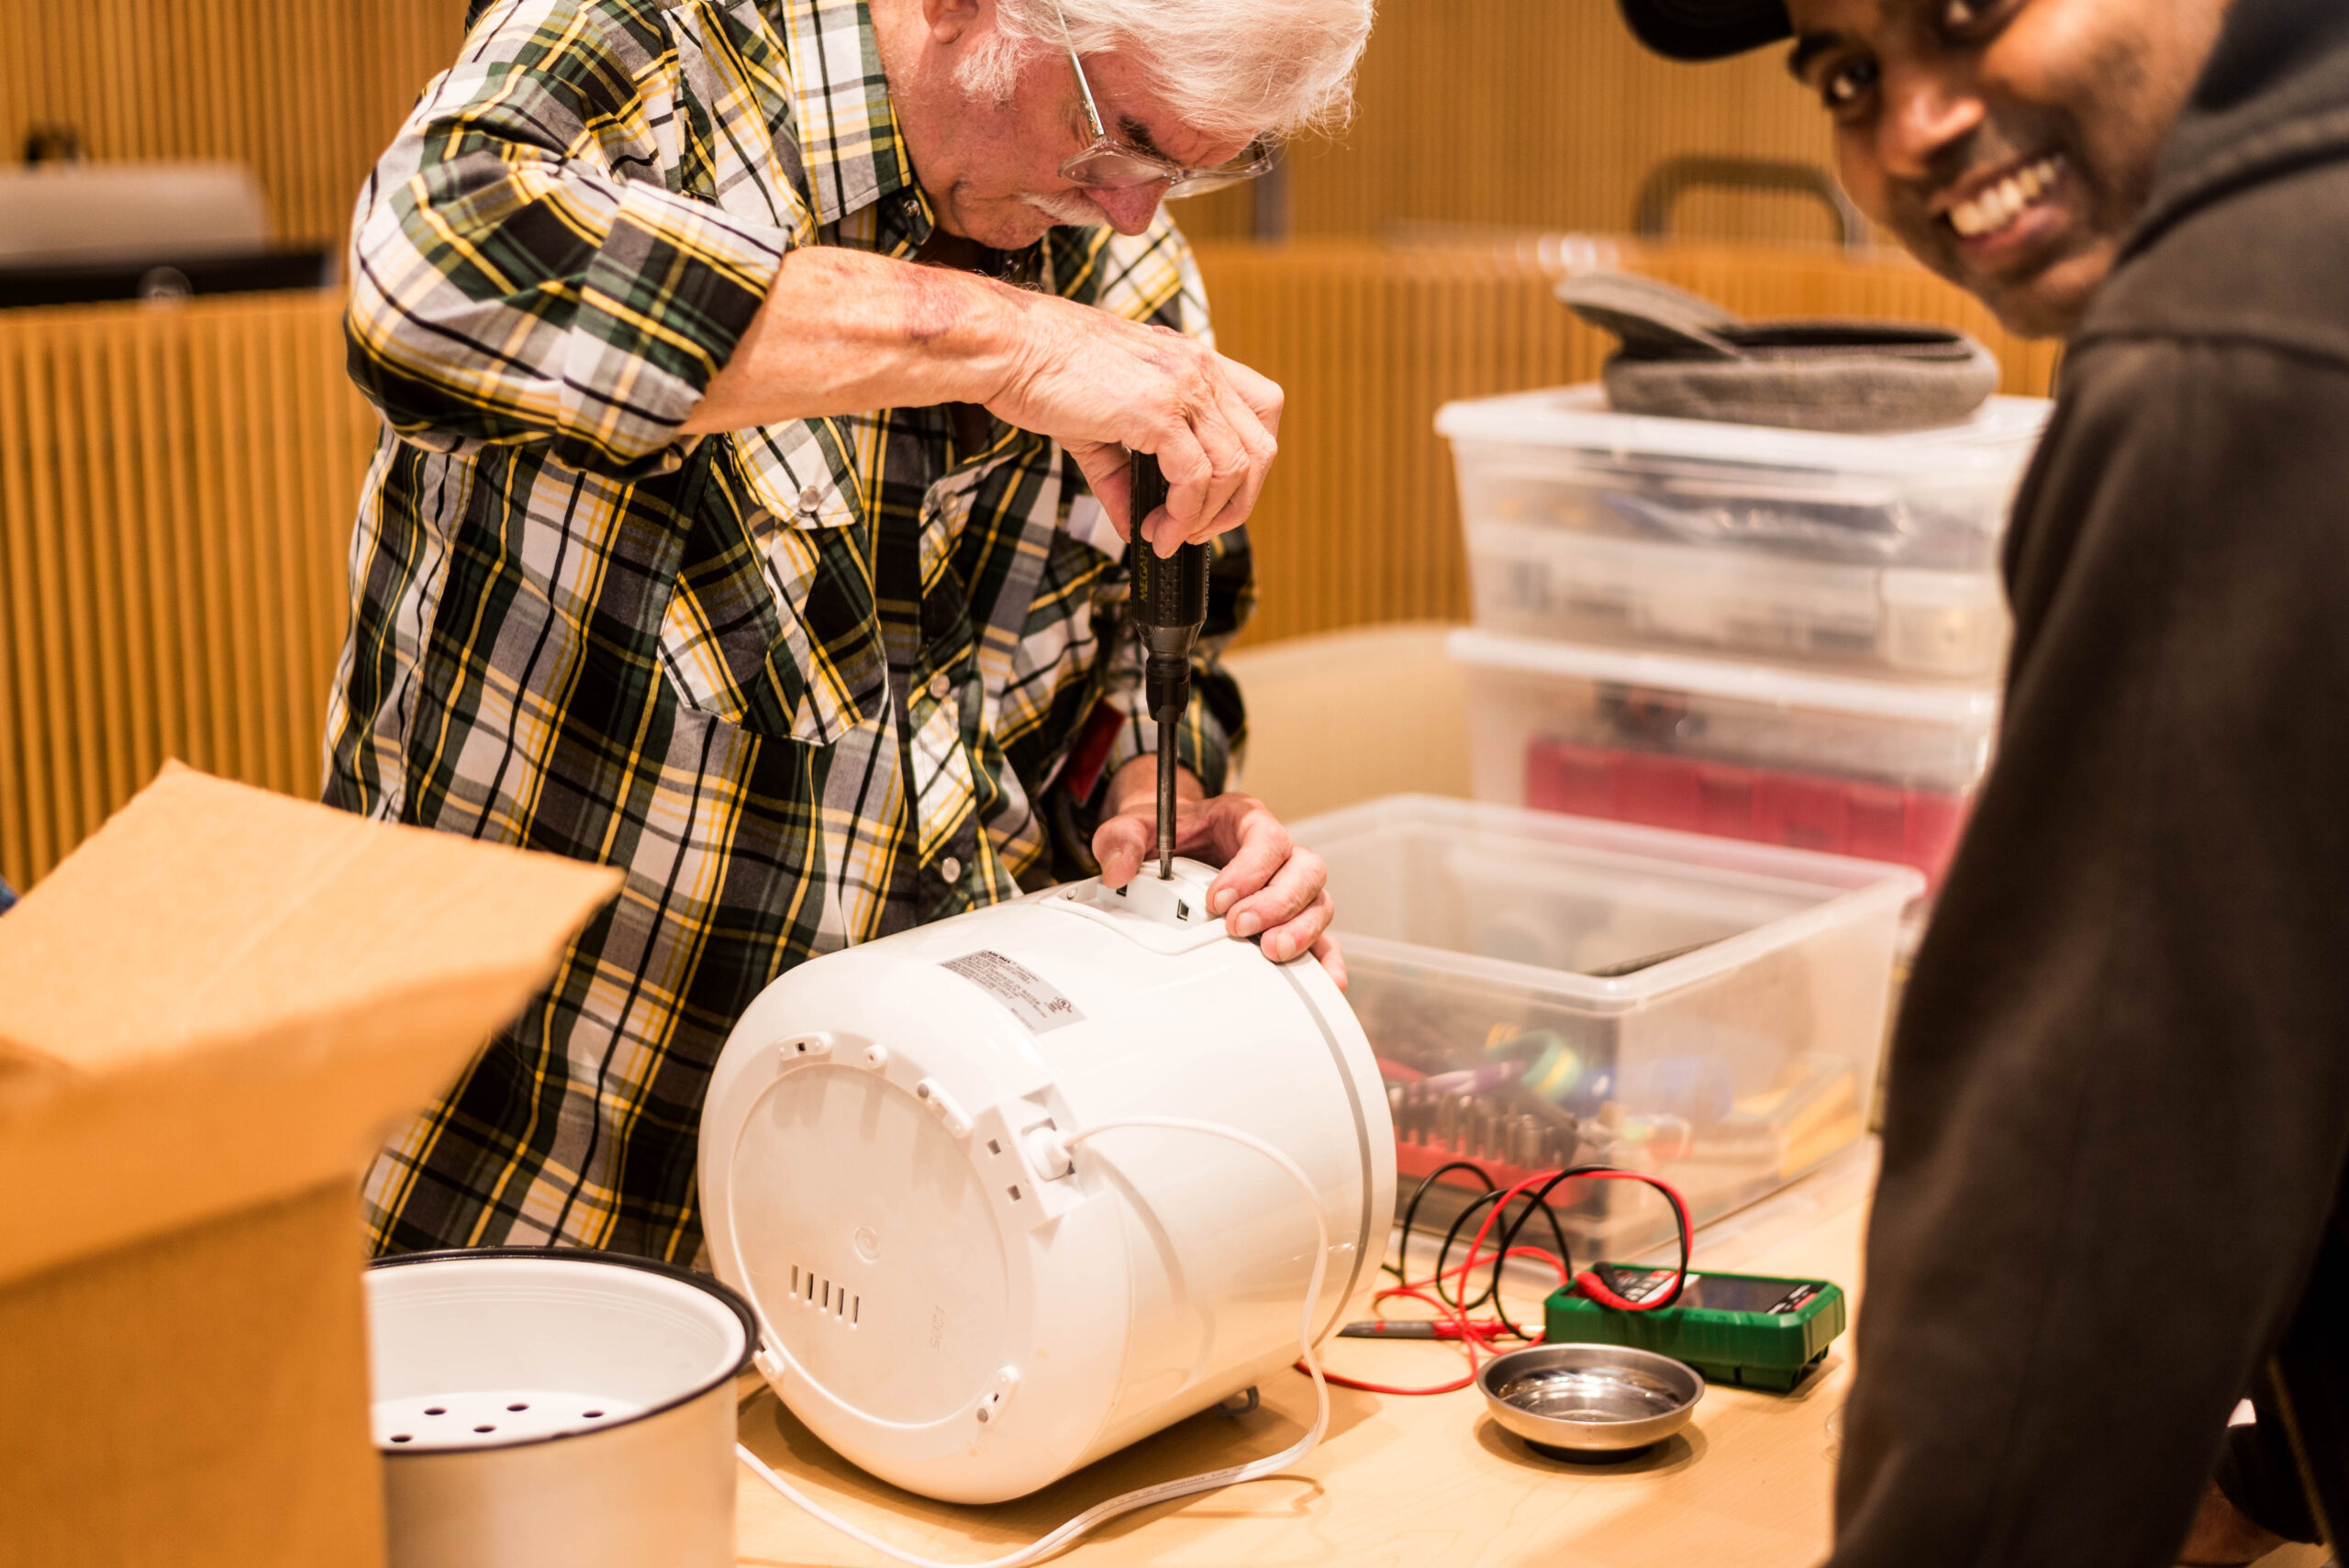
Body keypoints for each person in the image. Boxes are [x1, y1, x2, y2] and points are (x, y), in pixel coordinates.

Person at [330, 0, 1371, 1262]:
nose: (1137, 212)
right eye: (1123, 136)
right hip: (528, 1197)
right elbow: (427, 271)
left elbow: (1130, 660)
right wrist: (994, 339)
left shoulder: (1124, 262)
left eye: (1196, 171)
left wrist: (1157, 787)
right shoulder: (669, 50)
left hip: (912, 1239)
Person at [1613, 0, 2349, 1561]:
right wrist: (2278, 1470)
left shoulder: (2231, 344)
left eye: (1967, 12)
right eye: (1847, 72)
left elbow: (2088, 1190)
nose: (1911, 125)